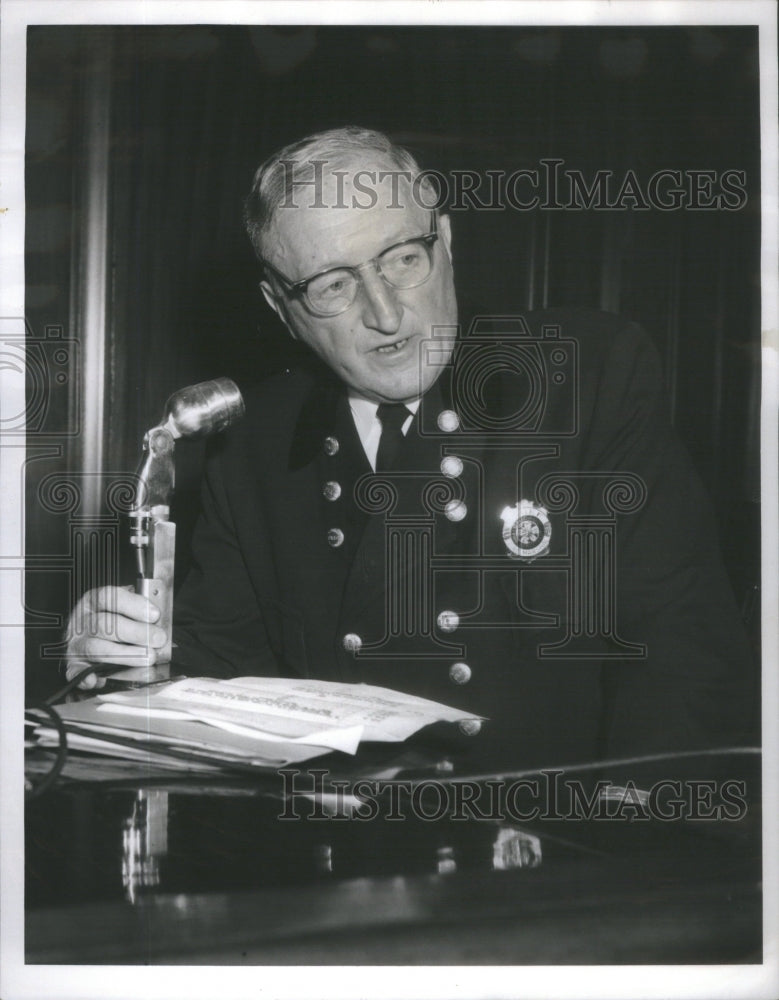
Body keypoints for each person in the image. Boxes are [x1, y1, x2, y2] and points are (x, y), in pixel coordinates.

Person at [63, 126, 753, 767]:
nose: (386, 313)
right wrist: (119, 662)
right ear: (282, 310)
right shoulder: (253, 446)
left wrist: (632, 845)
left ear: (444, 242)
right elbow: (213, 681)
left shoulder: (581, 379)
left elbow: (685, 660)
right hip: (335, 846)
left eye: (401, 259)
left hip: (546, 837)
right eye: (333, 285)